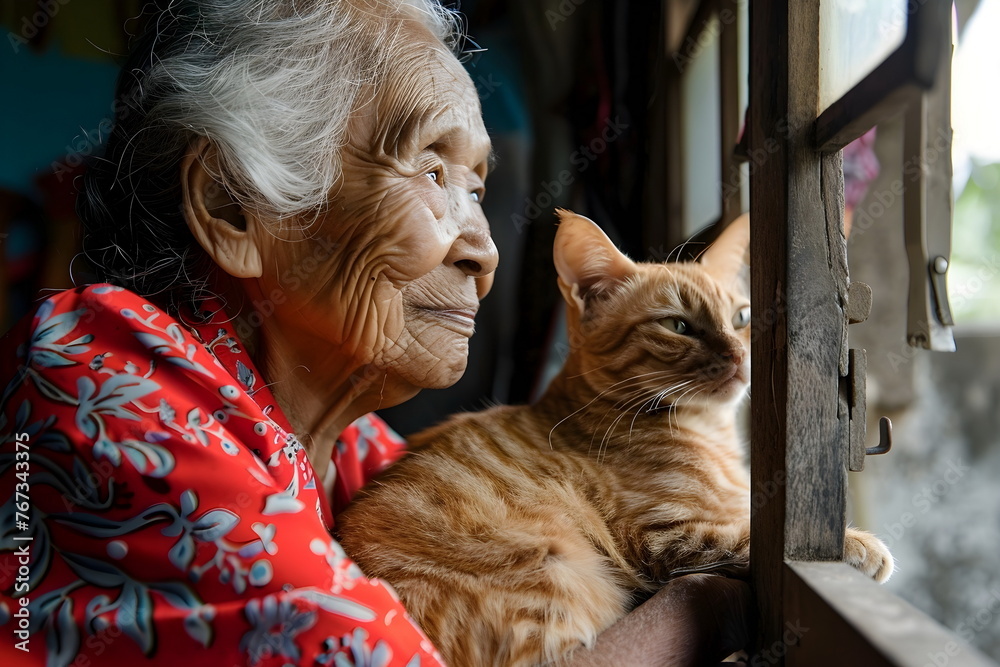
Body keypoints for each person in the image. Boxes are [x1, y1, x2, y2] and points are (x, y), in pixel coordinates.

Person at [0, 1, 750, 665]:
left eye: (478, 188)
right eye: (430, 171)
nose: (484, 250)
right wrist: (705, 604)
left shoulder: (348, 449)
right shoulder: (104, 374)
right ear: (233, 209)